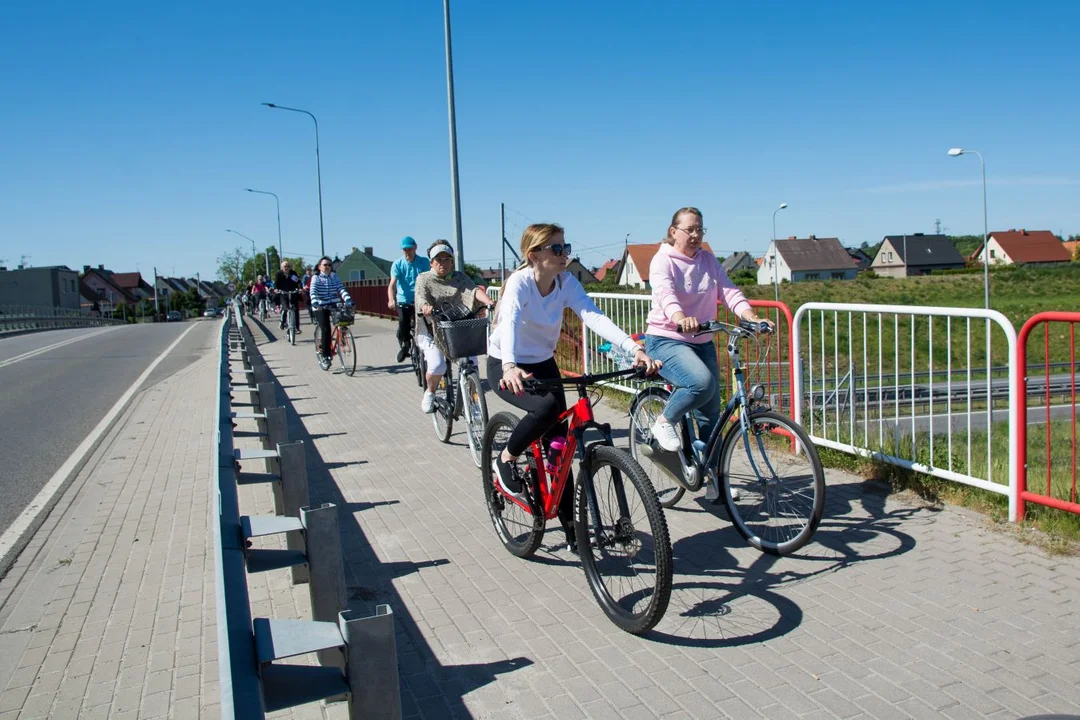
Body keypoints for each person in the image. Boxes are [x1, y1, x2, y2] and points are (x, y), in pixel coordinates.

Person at [487, 223, 661, 502]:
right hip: (506, 364)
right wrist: (509, 366)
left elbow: (593, 316)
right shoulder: (520, 283)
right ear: (533, 255)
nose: (564, 253)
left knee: (560, 448)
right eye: (556, 248)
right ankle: (506, 458)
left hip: (543, 363)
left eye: (565, 247)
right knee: (544, 409)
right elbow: (510, 322)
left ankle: (573, 535)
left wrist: (633, 349)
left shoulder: (565, 281)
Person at [645, 207, 773, 452]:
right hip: (666, 339)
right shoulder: (663, 259)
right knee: (701, 383)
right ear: (674, 231)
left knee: (711, 414)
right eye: (689, 229)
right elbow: (665, 293)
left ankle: (713, 478)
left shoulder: (707, 260)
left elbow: (728, 291)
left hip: (701, 340)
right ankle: (665, 420)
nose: (696, 234)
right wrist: (680, 317)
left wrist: (751, 316)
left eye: (700, 229)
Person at [414, 241, 494, 413]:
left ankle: (473, 403)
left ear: (452, 261)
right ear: (431, 262)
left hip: (458, 329)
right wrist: (425, 307)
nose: (443, 263)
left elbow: (473, 291)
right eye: (438, 259)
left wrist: (488, 301)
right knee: (437, 366)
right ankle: (430, 392)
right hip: (433, 329)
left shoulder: (460, 277)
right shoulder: (424, 278)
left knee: (471, 364)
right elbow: (421, 297)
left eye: (446, 259)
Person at [387, 236, 430, 363]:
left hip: (420, 299)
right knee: (403, 321)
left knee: (428, 321)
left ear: (415, 248)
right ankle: (405, 346)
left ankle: (430, 346)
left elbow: (429, 280)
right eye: (405, 249)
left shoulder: (423, 262)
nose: (407, 252)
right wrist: (391, 299)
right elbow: (392, 285)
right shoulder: (398, 264)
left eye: (410, 249)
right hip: (403, 299)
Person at [309, 256, 353, 370]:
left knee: (343, 321)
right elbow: (312, 290)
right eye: (325, 265)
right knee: (326, 329)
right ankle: (325, 356)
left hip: (334, 303)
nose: (328, 267)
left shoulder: (334, 276)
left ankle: (342, 338)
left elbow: (341, 289)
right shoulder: (316, 278)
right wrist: (314, 302)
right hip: (320, 306)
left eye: (329, 265)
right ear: (319, 267)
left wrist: (347, 299)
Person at [274, 260, 302, 334]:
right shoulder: (279, 274)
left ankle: (296, 327)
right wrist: (276, 289)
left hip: (293, 293)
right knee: (285, 308)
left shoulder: (292, 274)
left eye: (288, 266)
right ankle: (282, 322)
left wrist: (300, 288)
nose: (287, 268)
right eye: (285, 266)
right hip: (283, 293)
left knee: (295, 310)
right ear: (282, 267)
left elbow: (298, 281)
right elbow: (276, 283)